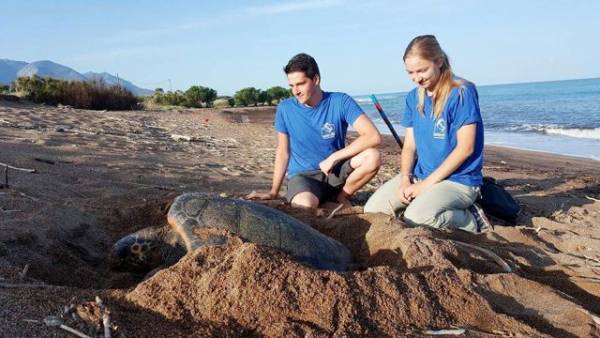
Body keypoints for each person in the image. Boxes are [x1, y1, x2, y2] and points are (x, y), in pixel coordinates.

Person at [364, 35, 491, 233]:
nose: (417, 78)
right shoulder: (413, 97)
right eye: (410, 73)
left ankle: (471, 218)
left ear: (438, 61)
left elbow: (465, 149)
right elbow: (409, 147)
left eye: (422, 70)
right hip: (419, 175)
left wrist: (425, 186)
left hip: (458, 180)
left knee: (417, 217)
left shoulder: (462, 92)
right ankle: (423, 202)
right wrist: (405, 178)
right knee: (372, 210)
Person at [246, 53, 382, 208]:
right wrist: (273, 192)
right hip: (304, 177)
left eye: (300, 84)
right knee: (306, 205)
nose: (295, 91)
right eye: (291, 86)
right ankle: (316, 198)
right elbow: (283, 152)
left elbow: (373, 136)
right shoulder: (285, 109)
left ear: (316, 80)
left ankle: (341, 197)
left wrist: (333, 158)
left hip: (335, 172)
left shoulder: (340, 101)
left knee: (373, 156)